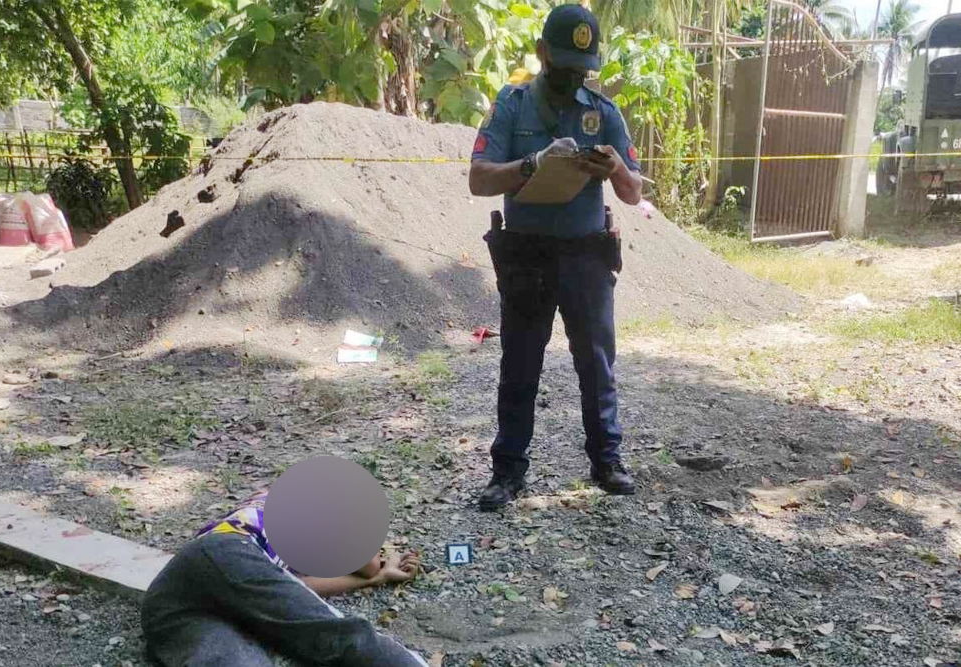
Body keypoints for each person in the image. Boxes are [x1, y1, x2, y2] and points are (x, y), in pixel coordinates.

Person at [469, 3, 644, 511]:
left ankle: (607, 461)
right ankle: (507, 472)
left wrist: (614, 169)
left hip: (586, 255)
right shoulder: (512, 105)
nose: (572, 77)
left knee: (596, 363)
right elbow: (478, 179)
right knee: (520, 363)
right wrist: (531, 164)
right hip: (525, 255)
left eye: (581, 69)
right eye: (563, 65)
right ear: (542, 53)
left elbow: (633, 194)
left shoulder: (604, 112)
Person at [141, 490, 429, 667]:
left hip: (171, 607)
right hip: (224, 552)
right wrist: (381, 564)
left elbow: (295, 594)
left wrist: (373, 581)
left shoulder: (271, 548)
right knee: (340, 635)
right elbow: (366, 563)